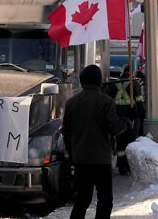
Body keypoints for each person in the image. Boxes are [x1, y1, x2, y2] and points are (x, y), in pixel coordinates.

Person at [61, 64, 133, 219]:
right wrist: (127, 122)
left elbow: (65, 132)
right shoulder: (106, 102)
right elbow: (115, 128)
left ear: (82, 81)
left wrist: (72, 154)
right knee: (105, 200)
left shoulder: (72, 103)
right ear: (99, 81)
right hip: (101, 161)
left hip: (80, 160)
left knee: (82, 199)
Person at [104, 65, 143, 174]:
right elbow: (139, 99)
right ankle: (129, 165)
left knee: (120, 143)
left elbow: (108, 99)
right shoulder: (134, 83)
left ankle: (121, 165)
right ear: (131, 72)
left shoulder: (113, 84)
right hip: (131, 116)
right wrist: (141, 113)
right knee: (131, 141)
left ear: (122, 72)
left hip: (117, 116)